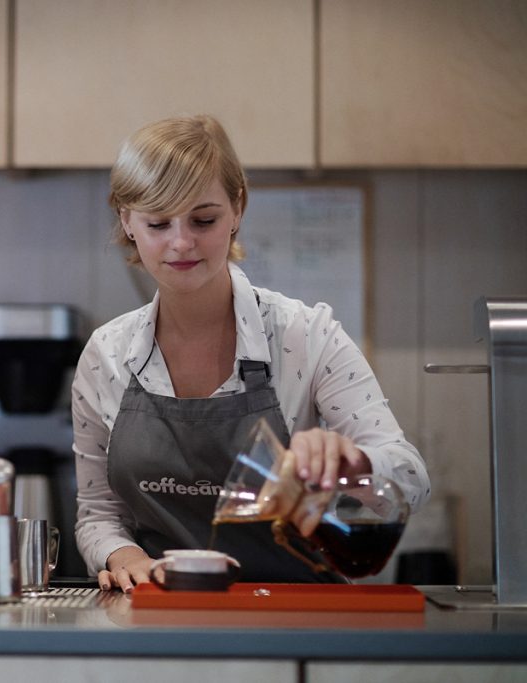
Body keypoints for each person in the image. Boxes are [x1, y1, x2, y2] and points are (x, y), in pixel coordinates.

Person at [72, 115, 430, 592]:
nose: (181, 242)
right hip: (159, 621)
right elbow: (98, 511)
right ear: (127, 221)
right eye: (158, 222)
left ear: (238, 208)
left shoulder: (307, 334)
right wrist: (123, 554)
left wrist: (355, 466)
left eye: (204, 220)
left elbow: (411, 478)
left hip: (298, 625)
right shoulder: (106, 356)